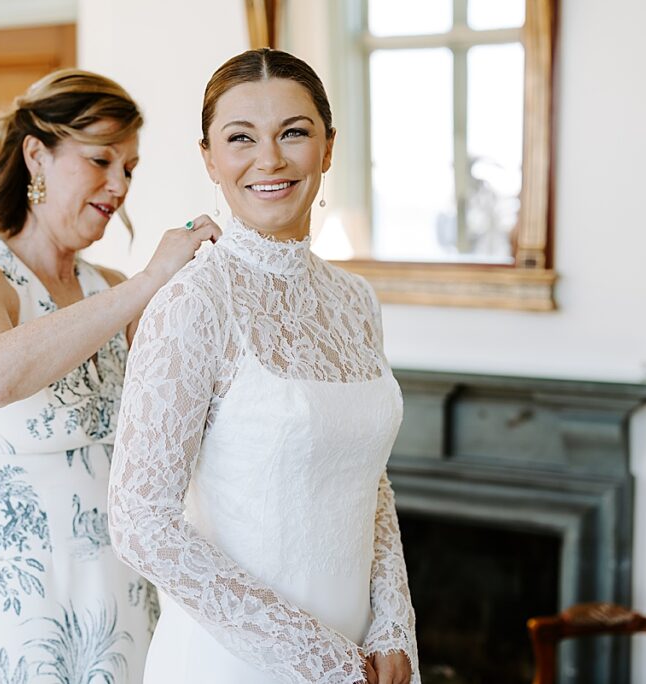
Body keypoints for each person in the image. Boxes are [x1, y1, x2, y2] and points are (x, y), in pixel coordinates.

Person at [108, 49, 419, 684]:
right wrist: (317, 657)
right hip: (235, 662)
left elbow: (370, 482)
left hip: (364, 655)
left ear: (328, 147)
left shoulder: (355, 301)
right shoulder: (193, 302)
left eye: (294, 133)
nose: (269, 160)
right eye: (240, 138)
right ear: (210, 159)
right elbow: (141, 522)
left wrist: (391, 624)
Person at [0, 69, 220, 684]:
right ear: (37, 155)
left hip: (118, 585)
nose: (118, 185)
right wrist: (149, 281)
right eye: (102, 160)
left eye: (129, 169)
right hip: (12, 587)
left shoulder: (107, 287)